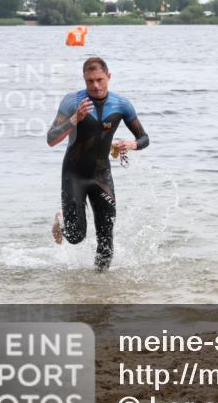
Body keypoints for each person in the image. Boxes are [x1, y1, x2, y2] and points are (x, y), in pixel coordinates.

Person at [47, 57, 149, 270]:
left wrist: (131, 144)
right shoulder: (72, 102)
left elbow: (144, 138)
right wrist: (75, 118)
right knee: (76, 236)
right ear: (84, 79)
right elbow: (51, 139)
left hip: (101, 176)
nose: (95, 85)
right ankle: (61, 219)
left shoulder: (122, 104)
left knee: (106, 240)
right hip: (74, 174)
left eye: (99, 79)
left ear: (108, 77)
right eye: (89, 81)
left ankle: (99, 287)